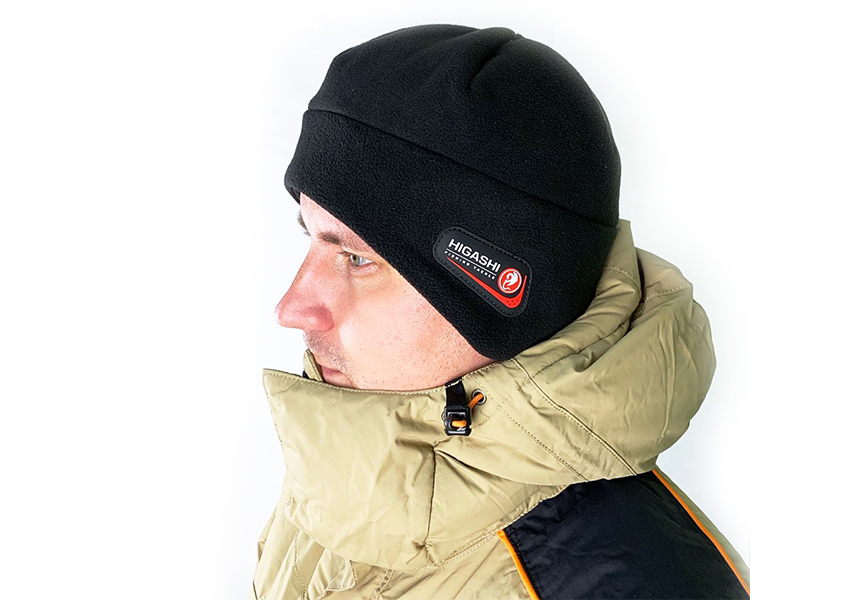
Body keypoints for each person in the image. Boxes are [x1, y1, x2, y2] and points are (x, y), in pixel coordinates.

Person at [248, 23, 750, 600]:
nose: (292, 308)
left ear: (498, 290)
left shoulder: (636, 584)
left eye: (357, 259)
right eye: (310, 237)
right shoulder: (354, 456)